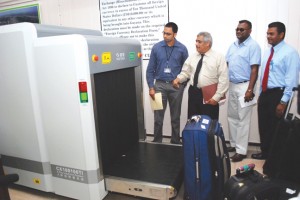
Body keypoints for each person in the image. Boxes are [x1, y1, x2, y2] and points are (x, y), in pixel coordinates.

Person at [252, 22, 300, 160]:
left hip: (279, 94)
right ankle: (265, 153)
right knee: (264, 126)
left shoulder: (290, 53)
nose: (268, 36)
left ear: (281, 34)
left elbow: (291, 80)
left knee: (275, 128)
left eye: (271, 34)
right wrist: (261, 93)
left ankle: (274, 158)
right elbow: (264, 75)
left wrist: (283, 102)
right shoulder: (268, 52)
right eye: (267, 33)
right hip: (266, 93)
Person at [146, 22, 188, 144]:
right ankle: (157, 141)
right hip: (159, 86)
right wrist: (151, 87)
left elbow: (187, 70)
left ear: (175, 34)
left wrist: (181, 86)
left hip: (176, 87)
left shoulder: (182, 49)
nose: (165, 36)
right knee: (158, 117)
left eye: (168, 34)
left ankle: (175, 141)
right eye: (164, 33)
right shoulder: (156, 47)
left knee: (175, 117)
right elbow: (150, 69)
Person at [226, 20, 261, 162]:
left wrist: (250, 89)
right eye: (237, 29)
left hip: (245, 86)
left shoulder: (253, 46)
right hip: (233, 85)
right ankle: (234, 145)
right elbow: (227, 64)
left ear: (249, 31)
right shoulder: (233, 45)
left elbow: (254, 69)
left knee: (243, 120)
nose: (239, 31)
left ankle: (241, 150)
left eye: (242, 30)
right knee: (232, 116)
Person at [173, 32, 228, 120]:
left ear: (207, 43)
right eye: (196, 41)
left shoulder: (218, 57)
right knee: (193, 120)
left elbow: (224, 79)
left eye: (199, 42)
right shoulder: (193, 56)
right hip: (194, 93)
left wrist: (217, 97)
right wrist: (178, 79)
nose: (196, 44)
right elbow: (185, 73)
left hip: (210, 94)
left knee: (208, 123)